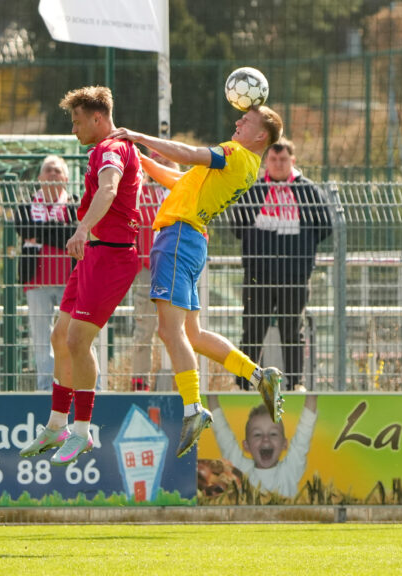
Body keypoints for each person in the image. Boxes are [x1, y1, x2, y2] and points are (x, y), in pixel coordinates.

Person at [107, 104, 286, 458]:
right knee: (193, 335)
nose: (237, 122)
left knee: (169, 332)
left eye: (246, 121)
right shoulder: (246, 165)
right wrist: (138, 157)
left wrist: (140, 137)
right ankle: (258, 375)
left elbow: (188, 154)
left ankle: (193, 409)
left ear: (261, 135)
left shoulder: (235, 153)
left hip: (176, 239)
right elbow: (178, 180)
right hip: (190, 240)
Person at [18, 86, 142, 466]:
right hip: (94, 255)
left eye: (76, 121)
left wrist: (83, 227)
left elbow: (108, 189)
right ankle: (56, 424)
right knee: (60, 336)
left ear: (97, 118)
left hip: (112, 256)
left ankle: (82, 431)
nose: (73, 129)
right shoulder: (104, 149)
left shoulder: (110, 150)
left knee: (76, 339)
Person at [231, 138, 332, 392]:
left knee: (292, 330)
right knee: (252, 330)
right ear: (266, 162)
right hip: (258, 273)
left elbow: (325, 227)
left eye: (283, 159)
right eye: (273, 159)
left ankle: (295, 383)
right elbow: (237, 227)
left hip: (295, 274)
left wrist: (300, 249)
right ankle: (246, 384)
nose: (278, 164)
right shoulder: (253, 191)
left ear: (293, 161)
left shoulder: (308, 191)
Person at [16, 155, 77, 391]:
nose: (53, 174)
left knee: (74, 336)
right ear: (40, 178)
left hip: (70, 281)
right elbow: (23, 228)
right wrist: (60, 233)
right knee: (42, 340)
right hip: (36, 281)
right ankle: (46, 388)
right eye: (48, 171)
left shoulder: (75, 205)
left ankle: (76, 384)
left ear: (66, 178)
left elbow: (72, 235)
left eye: (57, 171)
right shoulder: (25, 206)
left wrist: (40, 233)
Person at [206, 393, 317, 499]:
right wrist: (210, 394)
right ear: (246, 446)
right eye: (257, 434)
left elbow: (304, 433)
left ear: (284, 444)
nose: (265, 439)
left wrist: (312, 395)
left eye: (273, 434)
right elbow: (222, 432)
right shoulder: (240, 468)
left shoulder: (289, 470)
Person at [130, 153, 177, 392]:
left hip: (176, 269)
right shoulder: (140, 192)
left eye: (167, 161)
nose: (162, 165)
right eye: (157, 161)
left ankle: (184, 385)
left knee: (178, 331)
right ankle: (140, 385)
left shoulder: (183, 189)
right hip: (147, 270)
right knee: (144, 329)